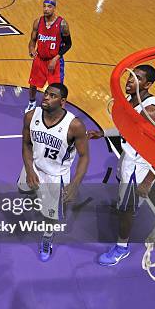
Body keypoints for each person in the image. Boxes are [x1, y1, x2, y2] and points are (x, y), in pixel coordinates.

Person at [87, 65, 155, 266]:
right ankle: (128, 207)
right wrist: (104, 133)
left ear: (148, 84)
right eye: (130, 77)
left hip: (138, 168)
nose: (130, 81)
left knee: (127, 211)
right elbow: (128, 129)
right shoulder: (131, 101)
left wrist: (148, 181)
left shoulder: (152, 112)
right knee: (123, 198)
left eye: (137, 78)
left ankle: (121, 248)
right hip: (128, 157)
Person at [18, 83, 89, 261]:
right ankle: (37, 198)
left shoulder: (75, 126)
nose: (46, 97)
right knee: (23, 190)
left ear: (63, 101)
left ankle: (47, 238)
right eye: (46, 94)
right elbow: (26, 144)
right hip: (34, 165)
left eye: (52, 96)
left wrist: (75, 184)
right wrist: (28, 168)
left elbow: (84, 156)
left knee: (50, 215)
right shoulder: (30, 116)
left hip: (56, 175)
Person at [26, 0, 72, 112]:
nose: (46, 9)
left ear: (54, 8)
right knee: (32, 84)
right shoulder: (38, 22)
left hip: (54, 61)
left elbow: (68, 44)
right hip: (40, 59)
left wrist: (56, 58)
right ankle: (32, 103)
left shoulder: (62, 24)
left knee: (57, 89)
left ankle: (59, 110)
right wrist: (31, 48)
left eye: (49, 7)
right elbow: (32, 40)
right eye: (44, 6)